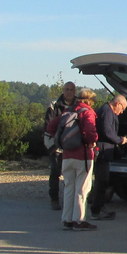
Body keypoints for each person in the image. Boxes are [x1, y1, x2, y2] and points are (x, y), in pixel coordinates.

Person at [46, 87, 99, 231]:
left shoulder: (68, 111)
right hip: (83, 155)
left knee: (69, 187)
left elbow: (51, 126)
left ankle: (66, 220)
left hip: (67, 155)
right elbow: (90, 131)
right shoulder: (87, 112)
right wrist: (93, 140)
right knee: (82, 189)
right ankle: (79, 221)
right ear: (89, 100)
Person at [89, 95, 127, 220]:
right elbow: (107, 131)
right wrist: (120, 140)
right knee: (101, 181)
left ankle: (99, 207)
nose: (122, 112)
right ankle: (96, 210)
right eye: (122, 108)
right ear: (117, 103)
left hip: (104, 150)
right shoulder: (107, 111)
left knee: (103, 181)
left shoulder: (106, 110)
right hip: (102, 151)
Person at [44, 81, 76, 210]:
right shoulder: (53, 106)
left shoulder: (79, 105)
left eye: (71, 89)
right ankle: (54, 199)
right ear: (63, 90)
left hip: (73, 144)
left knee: (72, 174)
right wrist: (52, 146)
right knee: (55, 172)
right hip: (56, 145)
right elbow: (48, 125)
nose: (69, 92)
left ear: (75, 91)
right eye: (67, 89)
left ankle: (71, 200)